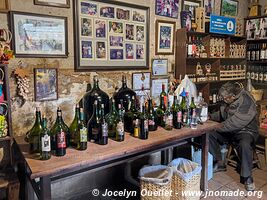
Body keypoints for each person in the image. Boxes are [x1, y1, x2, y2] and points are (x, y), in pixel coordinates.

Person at [209, 82, 258, 191]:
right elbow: (224, 113)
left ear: (233, 96)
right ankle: (219, 163)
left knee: (244, 144)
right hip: (230, 130)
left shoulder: (246, 101)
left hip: (245, 131)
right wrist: (210, 117)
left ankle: (247, 177)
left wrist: (217, 127)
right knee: (208, 133)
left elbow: (235, 123)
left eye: (225, 98)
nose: (223, 100)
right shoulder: (228, 100)